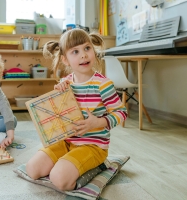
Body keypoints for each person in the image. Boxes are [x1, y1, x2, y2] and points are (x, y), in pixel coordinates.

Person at [26, 29, 128, 191]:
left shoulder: (103, 84)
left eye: (87, 48)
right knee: (32, 170)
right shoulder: (66, 82)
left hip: (93, 146)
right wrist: (58, 93)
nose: (83, 55)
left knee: (59, 179)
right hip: (66, 141)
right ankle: (70, 164)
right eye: (75, 51)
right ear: (65, 60)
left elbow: (121, 113)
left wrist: (98, 122)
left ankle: (99, 166)